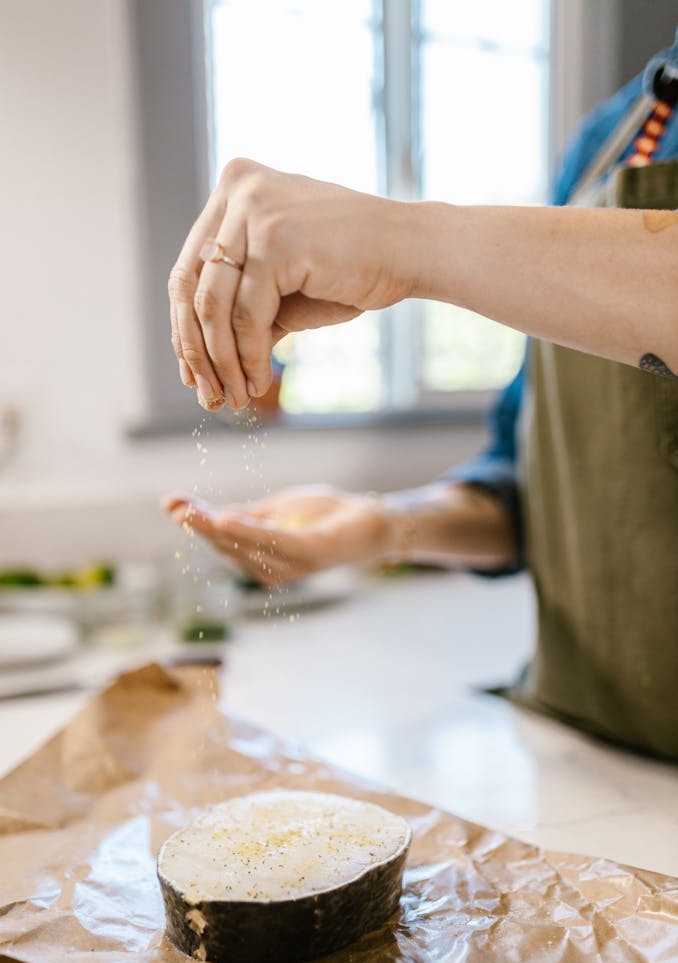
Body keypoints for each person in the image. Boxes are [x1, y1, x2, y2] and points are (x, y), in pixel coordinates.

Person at [164, 30, 678, 761]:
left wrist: (410, 239)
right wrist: (380, 527)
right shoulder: (612, 136)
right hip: (583, 756)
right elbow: (532, 484)